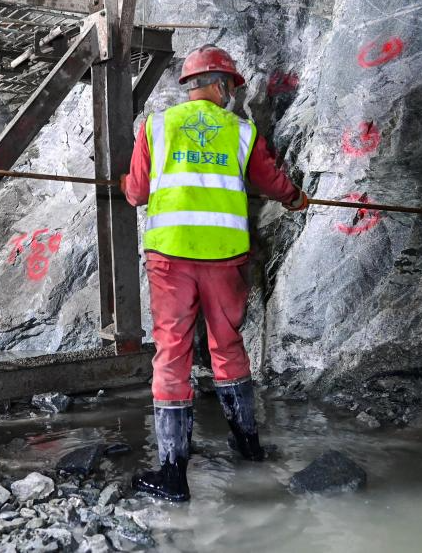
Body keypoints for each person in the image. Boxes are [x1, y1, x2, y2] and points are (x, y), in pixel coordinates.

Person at [121, 44, 309, 502]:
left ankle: (173, 475)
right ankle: (248, 446)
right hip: (225, 257)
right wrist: (295, 198)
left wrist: (128, 182)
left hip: (171, 257)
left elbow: (137, 194)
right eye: (231, 87)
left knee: (173, 352)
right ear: (221, 85)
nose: (232, 95)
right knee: (227, 345)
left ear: (190, 85)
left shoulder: (157, 126)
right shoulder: (241, 131)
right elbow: (270, 180)